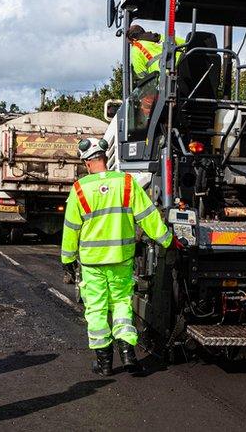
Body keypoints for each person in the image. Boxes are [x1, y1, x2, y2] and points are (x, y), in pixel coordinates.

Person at [61, 137, 176, 376]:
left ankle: (104, 364)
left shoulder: (80, 189)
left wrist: (67, 259)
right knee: (122, 303)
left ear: (87, 163)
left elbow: (71, 228)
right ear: (105, 159)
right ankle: (128, 355)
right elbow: (148, 216)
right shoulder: (126, 183)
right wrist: (167, 240)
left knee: (96, 309)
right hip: (122, 258)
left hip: (93, 262)